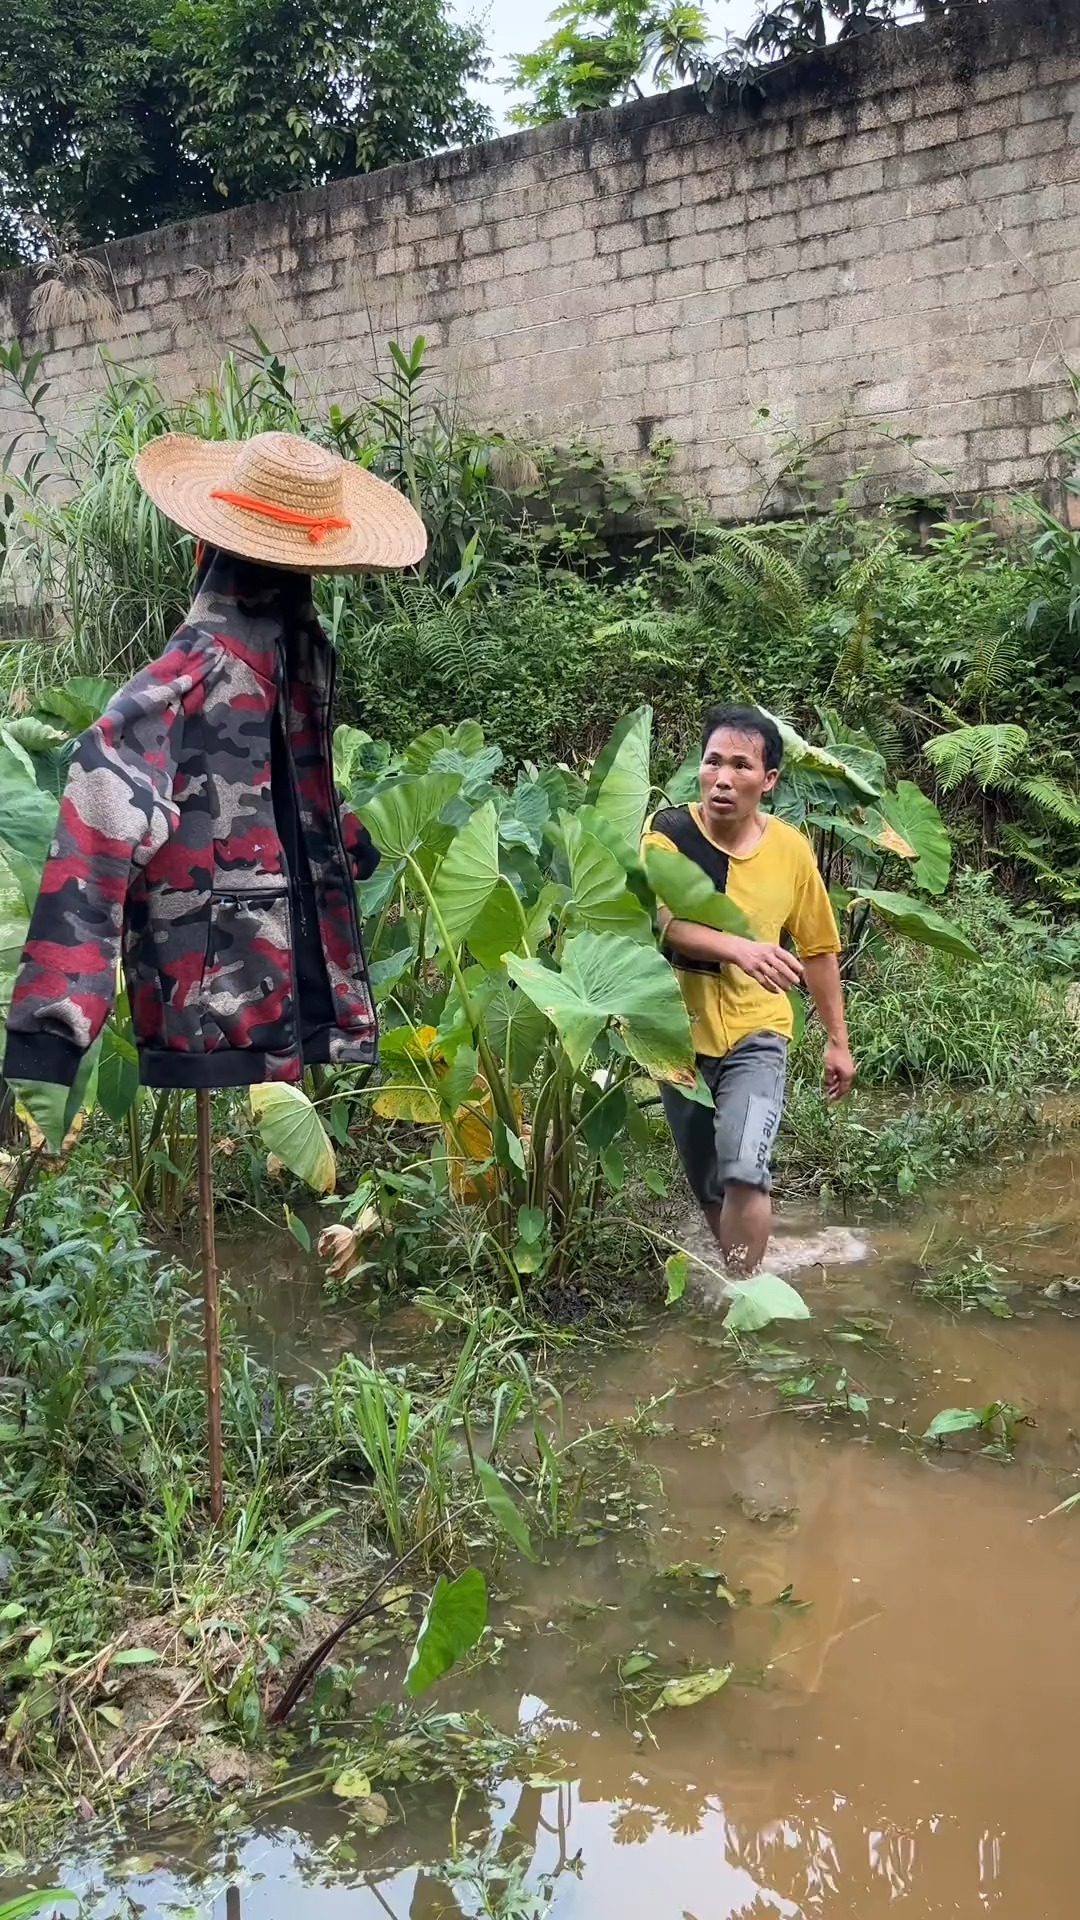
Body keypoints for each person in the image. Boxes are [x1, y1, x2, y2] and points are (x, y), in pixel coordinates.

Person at [642, 703, 856, 1274]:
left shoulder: (790, 850)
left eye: (741, 765)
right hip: (675, 1035)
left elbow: (818, 947)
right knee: (709, 1184)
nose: (724, 777)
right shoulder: (671, 833)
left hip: (758, 1032)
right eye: (713, 761)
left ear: (769, 780)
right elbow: (665, 922)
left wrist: (837, 1040)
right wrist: (741, 947)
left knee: (744, 1166)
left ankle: (744, 1291)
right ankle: (741, 1267)